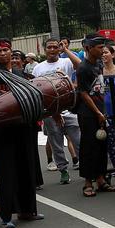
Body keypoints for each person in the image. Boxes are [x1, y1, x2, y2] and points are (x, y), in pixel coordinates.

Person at [0, 39, 44, 228]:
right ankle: (6, 216)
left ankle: (28, 210)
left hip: (24, 129)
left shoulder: (21, 75)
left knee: (27, 168)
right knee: (7, 172)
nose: (3, 54)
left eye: (6, 50)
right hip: (4, 131)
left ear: (11, 52)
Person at [31, 39, 80, 185]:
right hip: (50, 113)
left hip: (69, 110)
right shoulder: (38, 68)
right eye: (49, 47)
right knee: (56, 142)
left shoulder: (66, 63)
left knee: (78, 140)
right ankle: (63, 170)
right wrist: (53, 113)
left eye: (55, 47)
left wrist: (66, 50)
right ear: (45, 50)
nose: (52, 50)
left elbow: (79, 65)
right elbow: (36, 91)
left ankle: (87, 167)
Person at [75, 36, 115, 196]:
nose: (102, 50)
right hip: (88, 114)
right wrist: (97, 113)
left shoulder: (99, 65)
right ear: (88, 48)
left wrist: (103, 111)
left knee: (101, 146)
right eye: (99, 48)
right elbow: (84, 93)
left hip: (101, 110)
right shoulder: (83, 68)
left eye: (103, 47)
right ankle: (87, 183)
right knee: (89, 147)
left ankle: (101, 179)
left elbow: (100, 89)